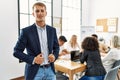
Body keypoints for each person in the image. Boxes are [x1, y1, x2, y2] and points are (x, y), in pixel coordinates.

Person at [13, 2, 59, 80]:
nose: (40, 13)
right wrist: (34, 59)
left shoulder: (52, 30)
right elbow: (16, 52)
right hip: (35, 72)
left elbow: (56, 47)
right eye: (37, 11)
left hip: (50, 70)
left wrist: (54, 55)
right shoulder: (26, 31)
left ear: (46, 13)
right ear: (33, 14)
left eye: (42, 11)